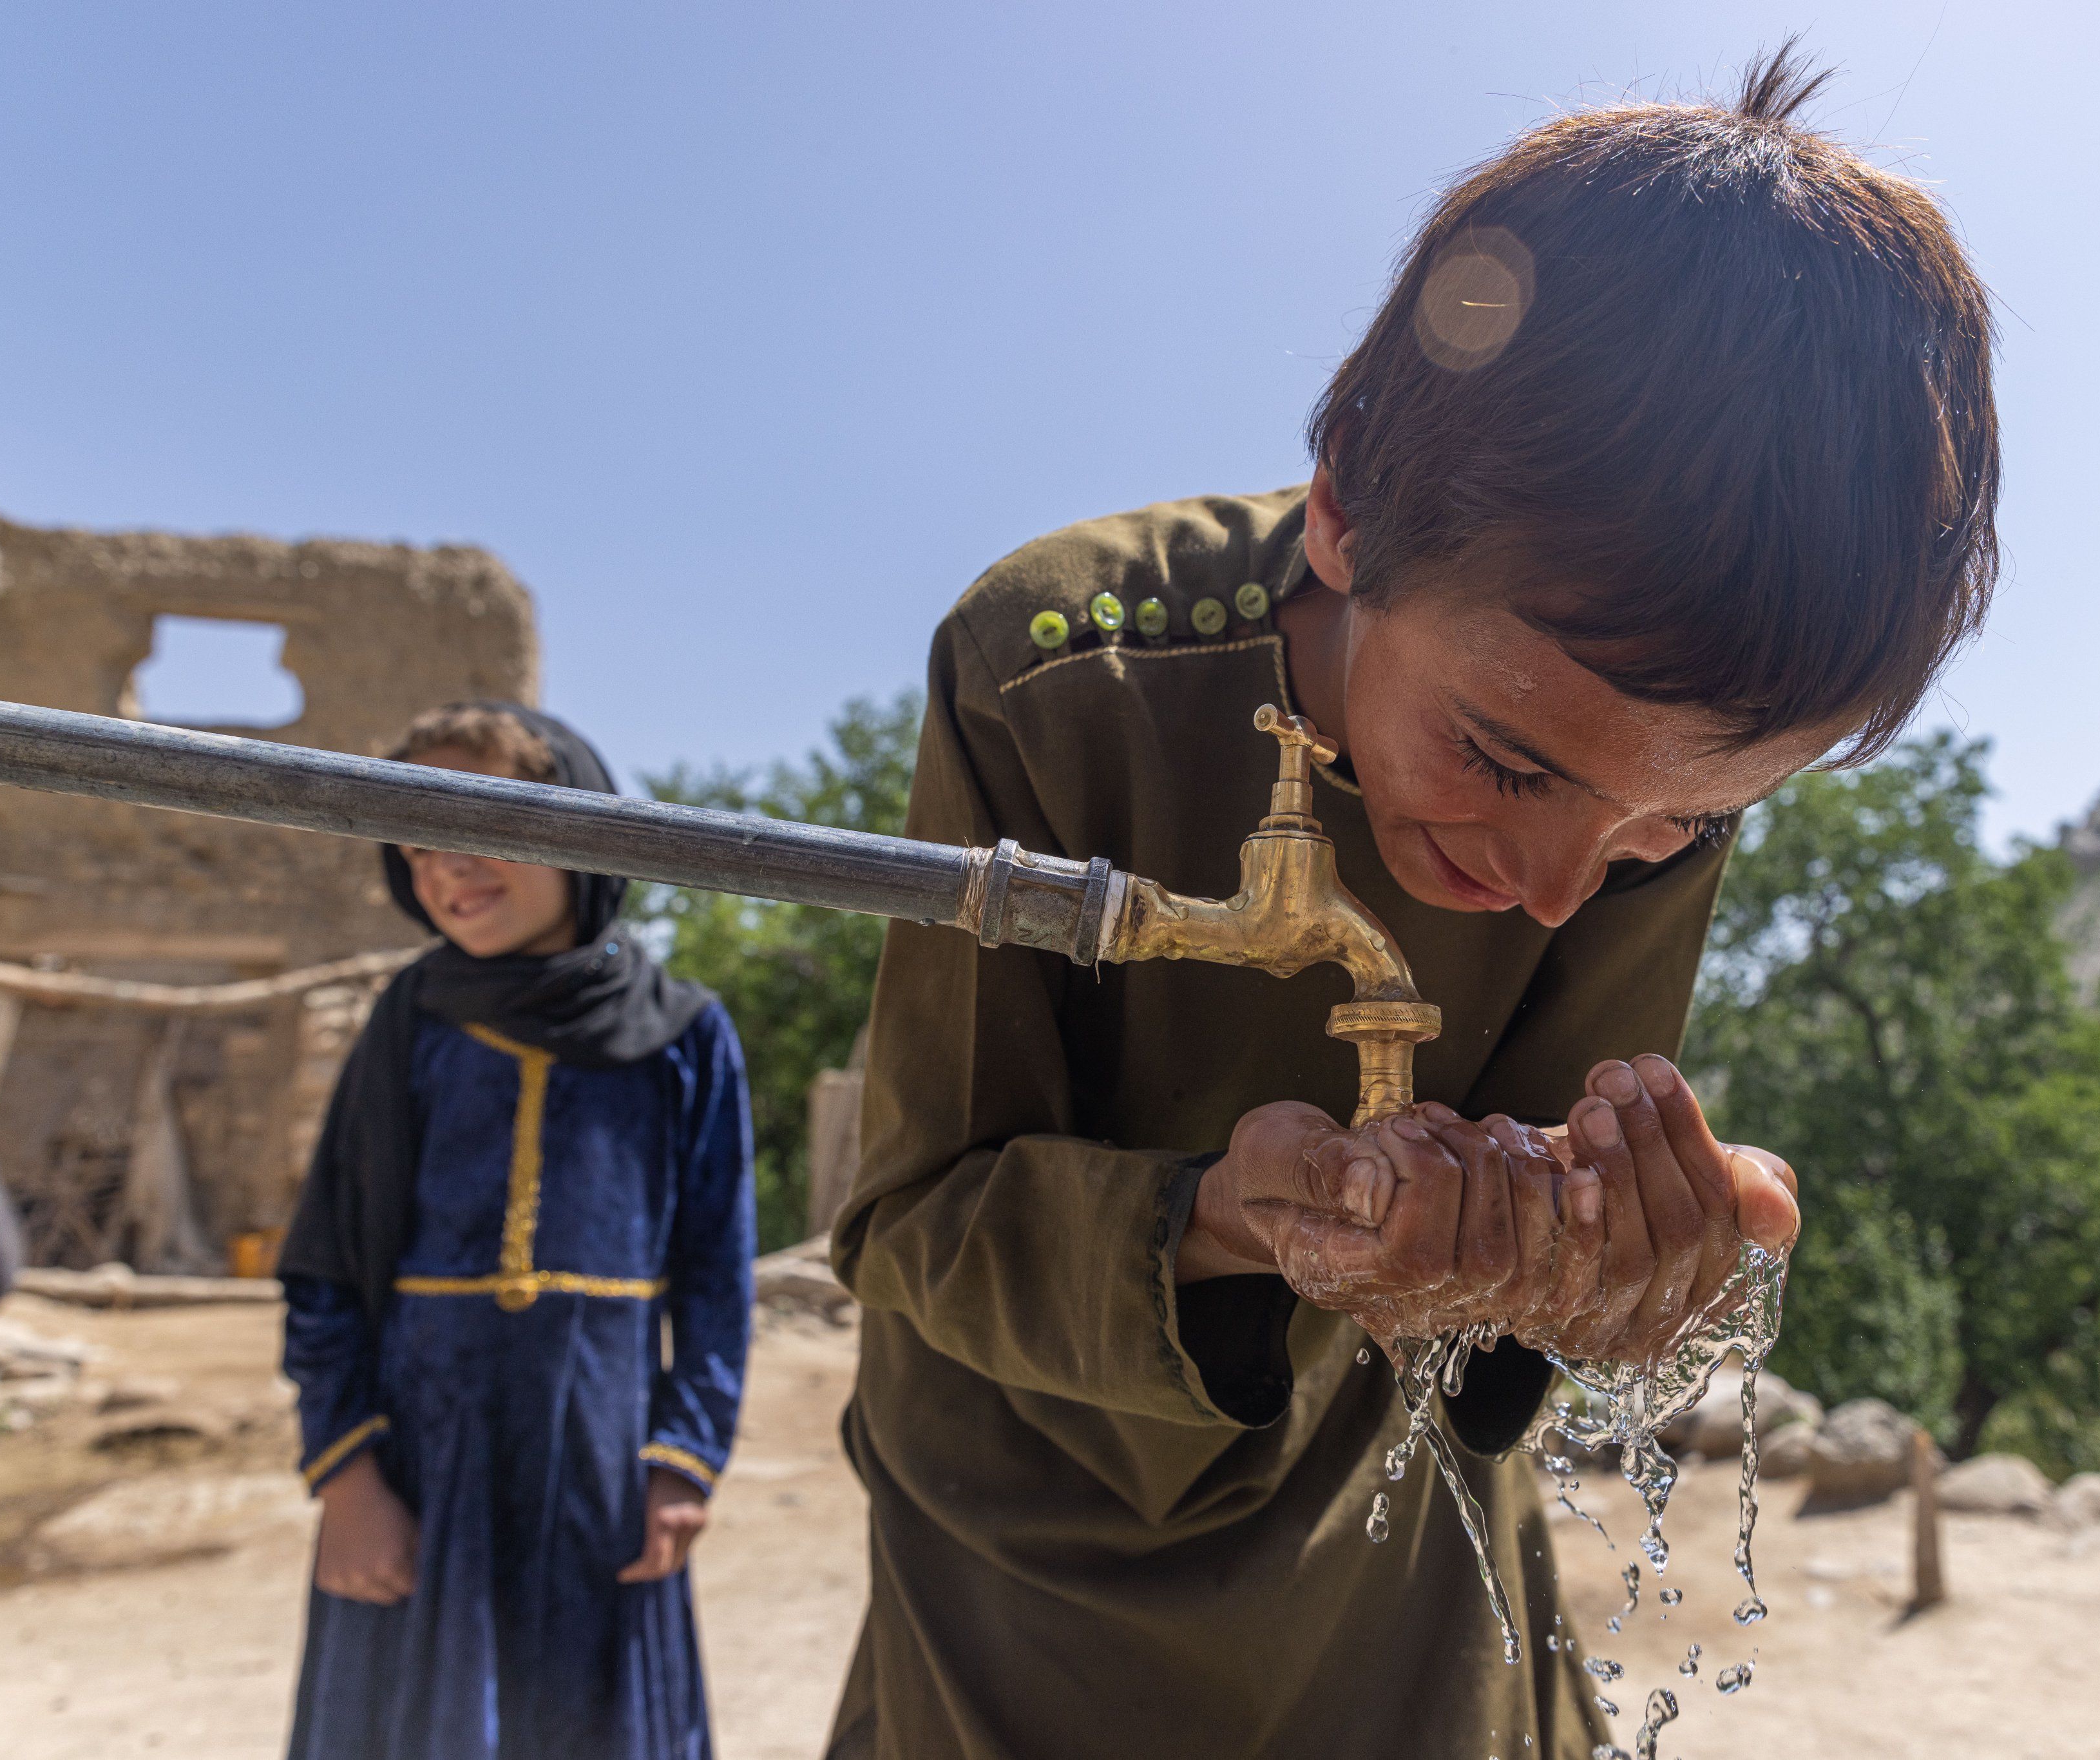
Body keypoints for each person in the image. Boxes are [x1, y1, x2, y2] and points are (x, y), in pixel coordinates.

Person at [826, 49, 1994, 1760]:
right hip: (1029, 1544)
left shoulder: (1642, 785)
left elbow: (1519, 1273)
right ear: (1351, 498)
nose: (1549, 886)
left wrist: (1596, 1268)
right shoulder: (1058, 674)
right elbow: (910, 1221)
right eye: (1508, 759)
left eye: (1688, 822)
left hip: (1394, 1543)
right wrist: (1225, 1216)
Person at [277, 703, 752, 1760]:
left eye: (474, 822)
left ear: (577, 822)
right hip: (423, 1465)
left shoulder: (683, 1036)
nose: (446, 869)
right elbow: (323, 1272)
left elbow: (718, 1283)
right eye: (416, 844)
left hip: (603, 1455)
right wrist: (348, 1479)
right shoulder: (410, 1023)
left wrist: (684, 1461)